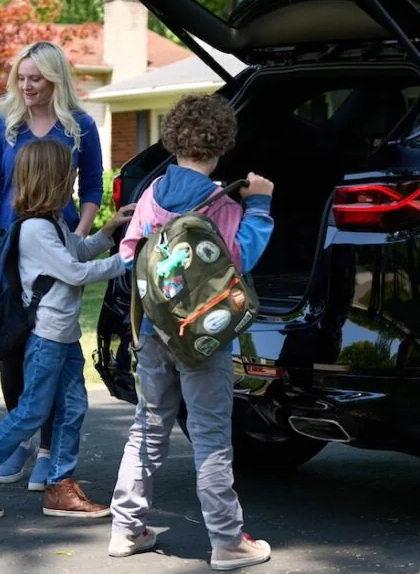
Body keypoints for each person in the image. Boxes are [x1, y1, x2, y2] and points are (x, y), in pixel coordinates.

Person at [108, 94, 276, 571]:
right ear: (223, 145)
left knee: (148, 424)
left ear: (172, 138)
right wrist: (260, 205)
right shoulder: (220, 201)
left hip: (154, 329)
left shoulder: (154, 190)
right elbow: (241, 258)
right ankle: (226, 540)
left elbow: (128, 254)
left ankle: (126, 527)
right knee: (209, 434)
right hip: (203, 335)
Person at [0, 139, 133, 519]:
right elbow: (75, 272)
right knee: (33, 409)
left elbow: (78, 253)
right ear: (51, 179)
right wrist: (126, 260)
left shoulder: (52, 221)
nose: (73, 180)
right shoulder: (35, 228)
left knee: (73, 407)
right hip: (48, 336)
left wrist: (111, 229)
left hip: (65, 335)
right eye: (69, 174)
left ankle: (59, 487)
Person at [0, 41, 104, 489]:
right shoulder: (2, 122)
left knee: (52, 349)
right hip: (11, 252)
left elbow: (92, 187)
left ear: (55, 80)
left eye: (36, 79)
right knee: (12, 351)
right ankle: (21, 437)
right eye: (22, 78)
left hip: (55, 248)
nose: (27, 86)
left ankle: (48, 450)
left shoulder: (80, 126)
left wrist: (79, 238)